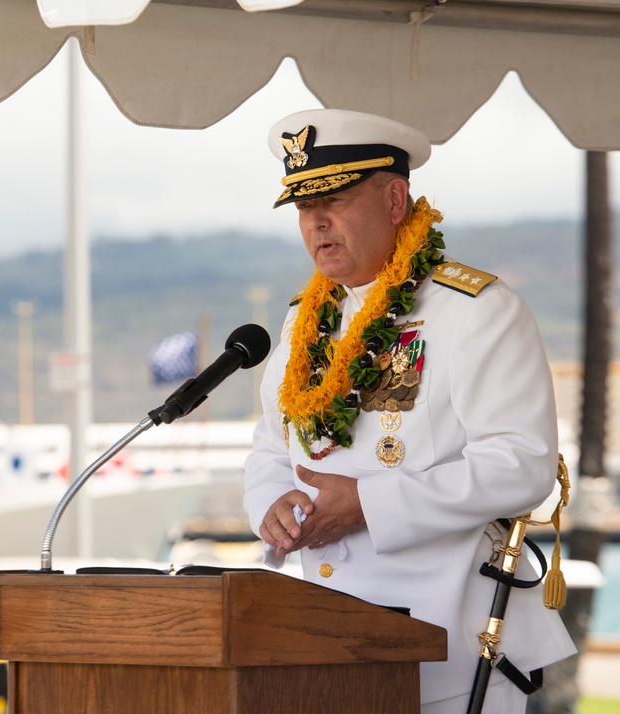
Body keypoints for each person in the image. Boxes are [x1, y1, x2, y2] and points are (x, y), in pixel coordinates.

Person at [243, 108, 576, 714]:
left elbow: (523, 464)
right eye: (302, 208)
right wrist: (268, 504)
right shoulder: (303, 320)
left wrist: (369, 504)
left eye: (336, 200)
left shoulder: (475, 309)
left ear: (395, 201)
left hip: (451, 647)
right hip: (322, 643)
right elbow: (272, 444)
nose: (315, 222)